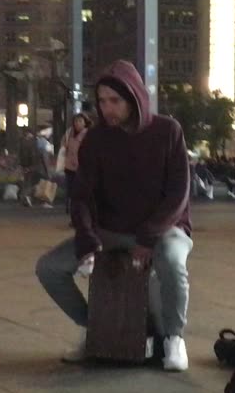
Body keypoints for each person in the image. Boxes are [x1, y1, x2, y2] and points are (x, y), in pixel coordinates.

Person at [35, 60, 193, 371]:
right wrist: (86, 239)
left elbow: (179, 193)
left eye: (115, 101)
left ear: (134, 98)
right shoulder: (96, 139)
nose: (108, 109)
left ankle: (174, 337)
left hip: (164, 227)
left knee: (173, 262)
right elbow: (81, 196)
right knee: (49, 268)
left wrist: (148, 238)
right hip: (111, 228)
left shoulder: (167, 131)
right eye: (103, 101)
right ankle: (94, 328)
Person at [60, 111, 91, 213]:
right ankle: (73, 213)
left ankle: (81, 214)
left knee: (80, 193)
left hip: (82, 168)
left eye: (80, 121)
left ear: (85, 122)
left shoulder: (88, 134)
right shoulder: (69, 133)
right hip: (69, 167)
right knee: (71, 191)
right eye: (76, 121)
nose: (77, 123)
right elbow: (63, 145)